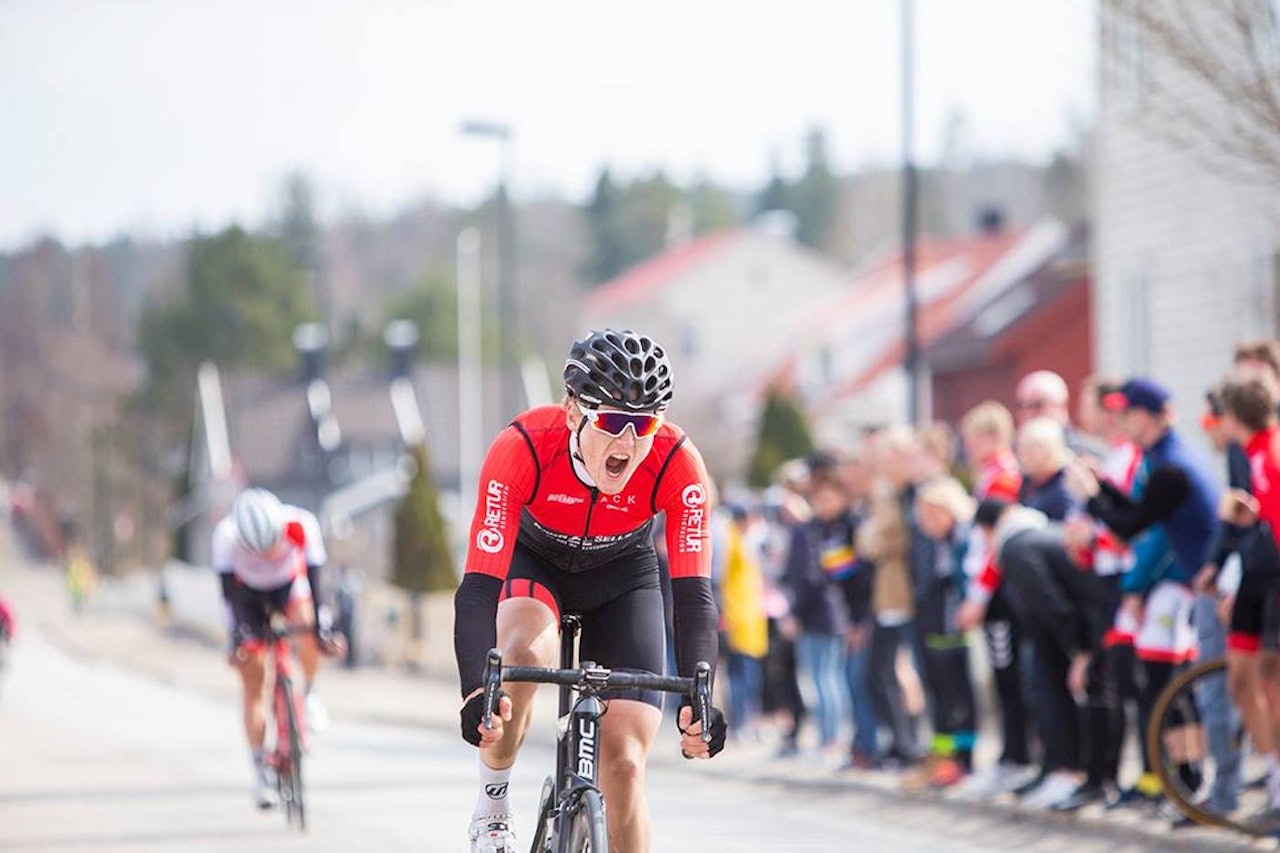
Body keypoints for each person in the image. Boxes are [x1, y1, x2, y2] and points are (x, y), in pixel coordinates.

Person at [452, 330, 726, 853]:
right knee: (526, 651)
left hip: (623, 579)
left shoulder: (677, 462)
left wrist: (701, 699)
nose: (628, 443)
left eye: (644, 425)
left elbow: (693, 594)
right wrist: (474, 691)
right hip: (536, 567)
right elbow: (477, 589)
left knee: (624, 765)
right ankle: (492, 806)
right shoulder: (523, 446)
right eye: (613, 422)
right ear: (574, 411)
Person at [212, 487, 342, 809]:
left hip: (288, 588)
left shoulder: (301, 525)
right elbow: (228, 601)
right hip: (248, 599)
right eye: (258, 551)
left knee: (309, 630)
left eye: (271, 546)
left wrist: (322, 629)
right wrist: (236, 638)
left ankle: (308, 694)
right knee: (253, 680)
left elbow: (317, 587)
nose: (267, 555)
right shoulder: (226, 536)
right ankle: (260, 768)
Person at [906, 477, 979, 789]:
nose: (928, 522)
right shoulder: (925, 542)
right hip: (930, 626)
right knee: (938, 696)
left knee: (958, 696)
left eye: (935, 514)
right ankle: (942, 757)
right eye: (924, 516)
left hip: (956, 628)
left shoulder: (962, 540)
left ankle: (964, 759)